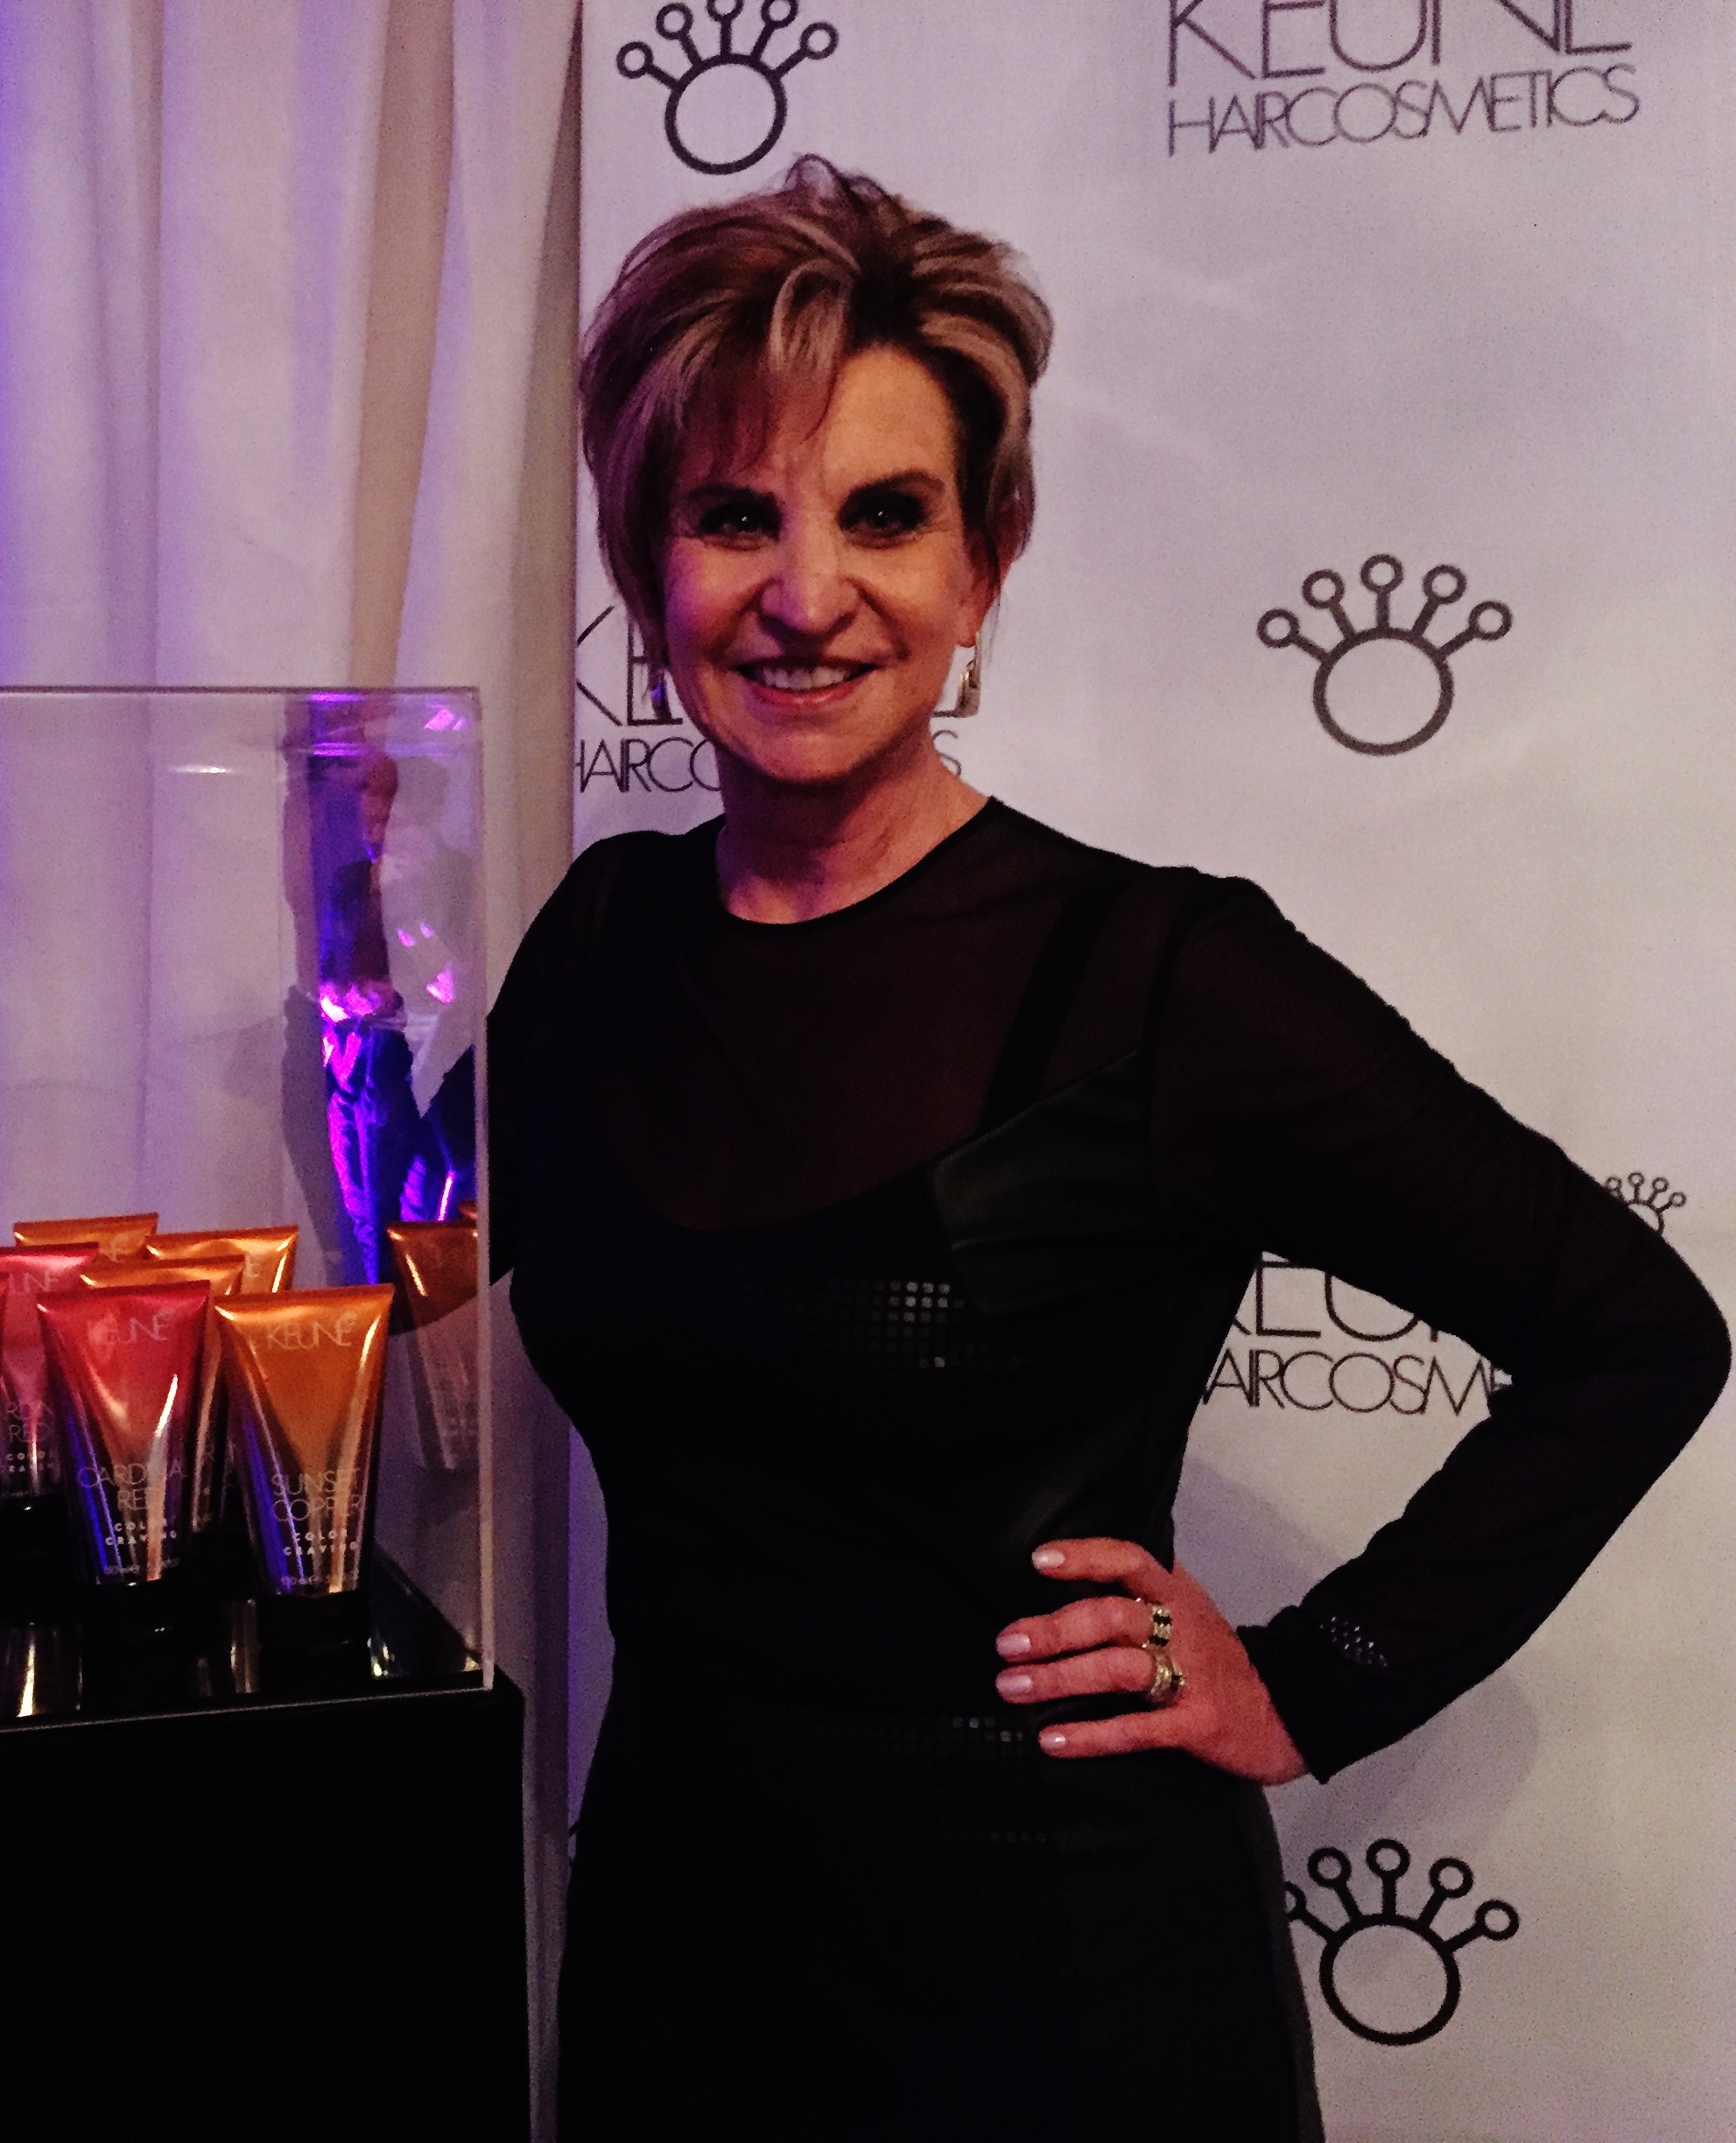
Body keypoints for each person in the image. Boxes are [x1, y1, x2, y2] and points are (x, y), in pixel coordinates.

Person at [490, 158, 1725, 2140]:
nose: (806, 594)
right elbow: (423, 1250)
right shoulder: (602, 939)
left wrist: (1318, 1678)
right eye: (734, 516)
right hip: (677, 1949)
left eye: (885, 514)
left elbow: (1635, 1333)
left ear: (984, 565)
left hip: (1061, 1997)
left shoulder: (1163, 978)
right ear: (649, 572)